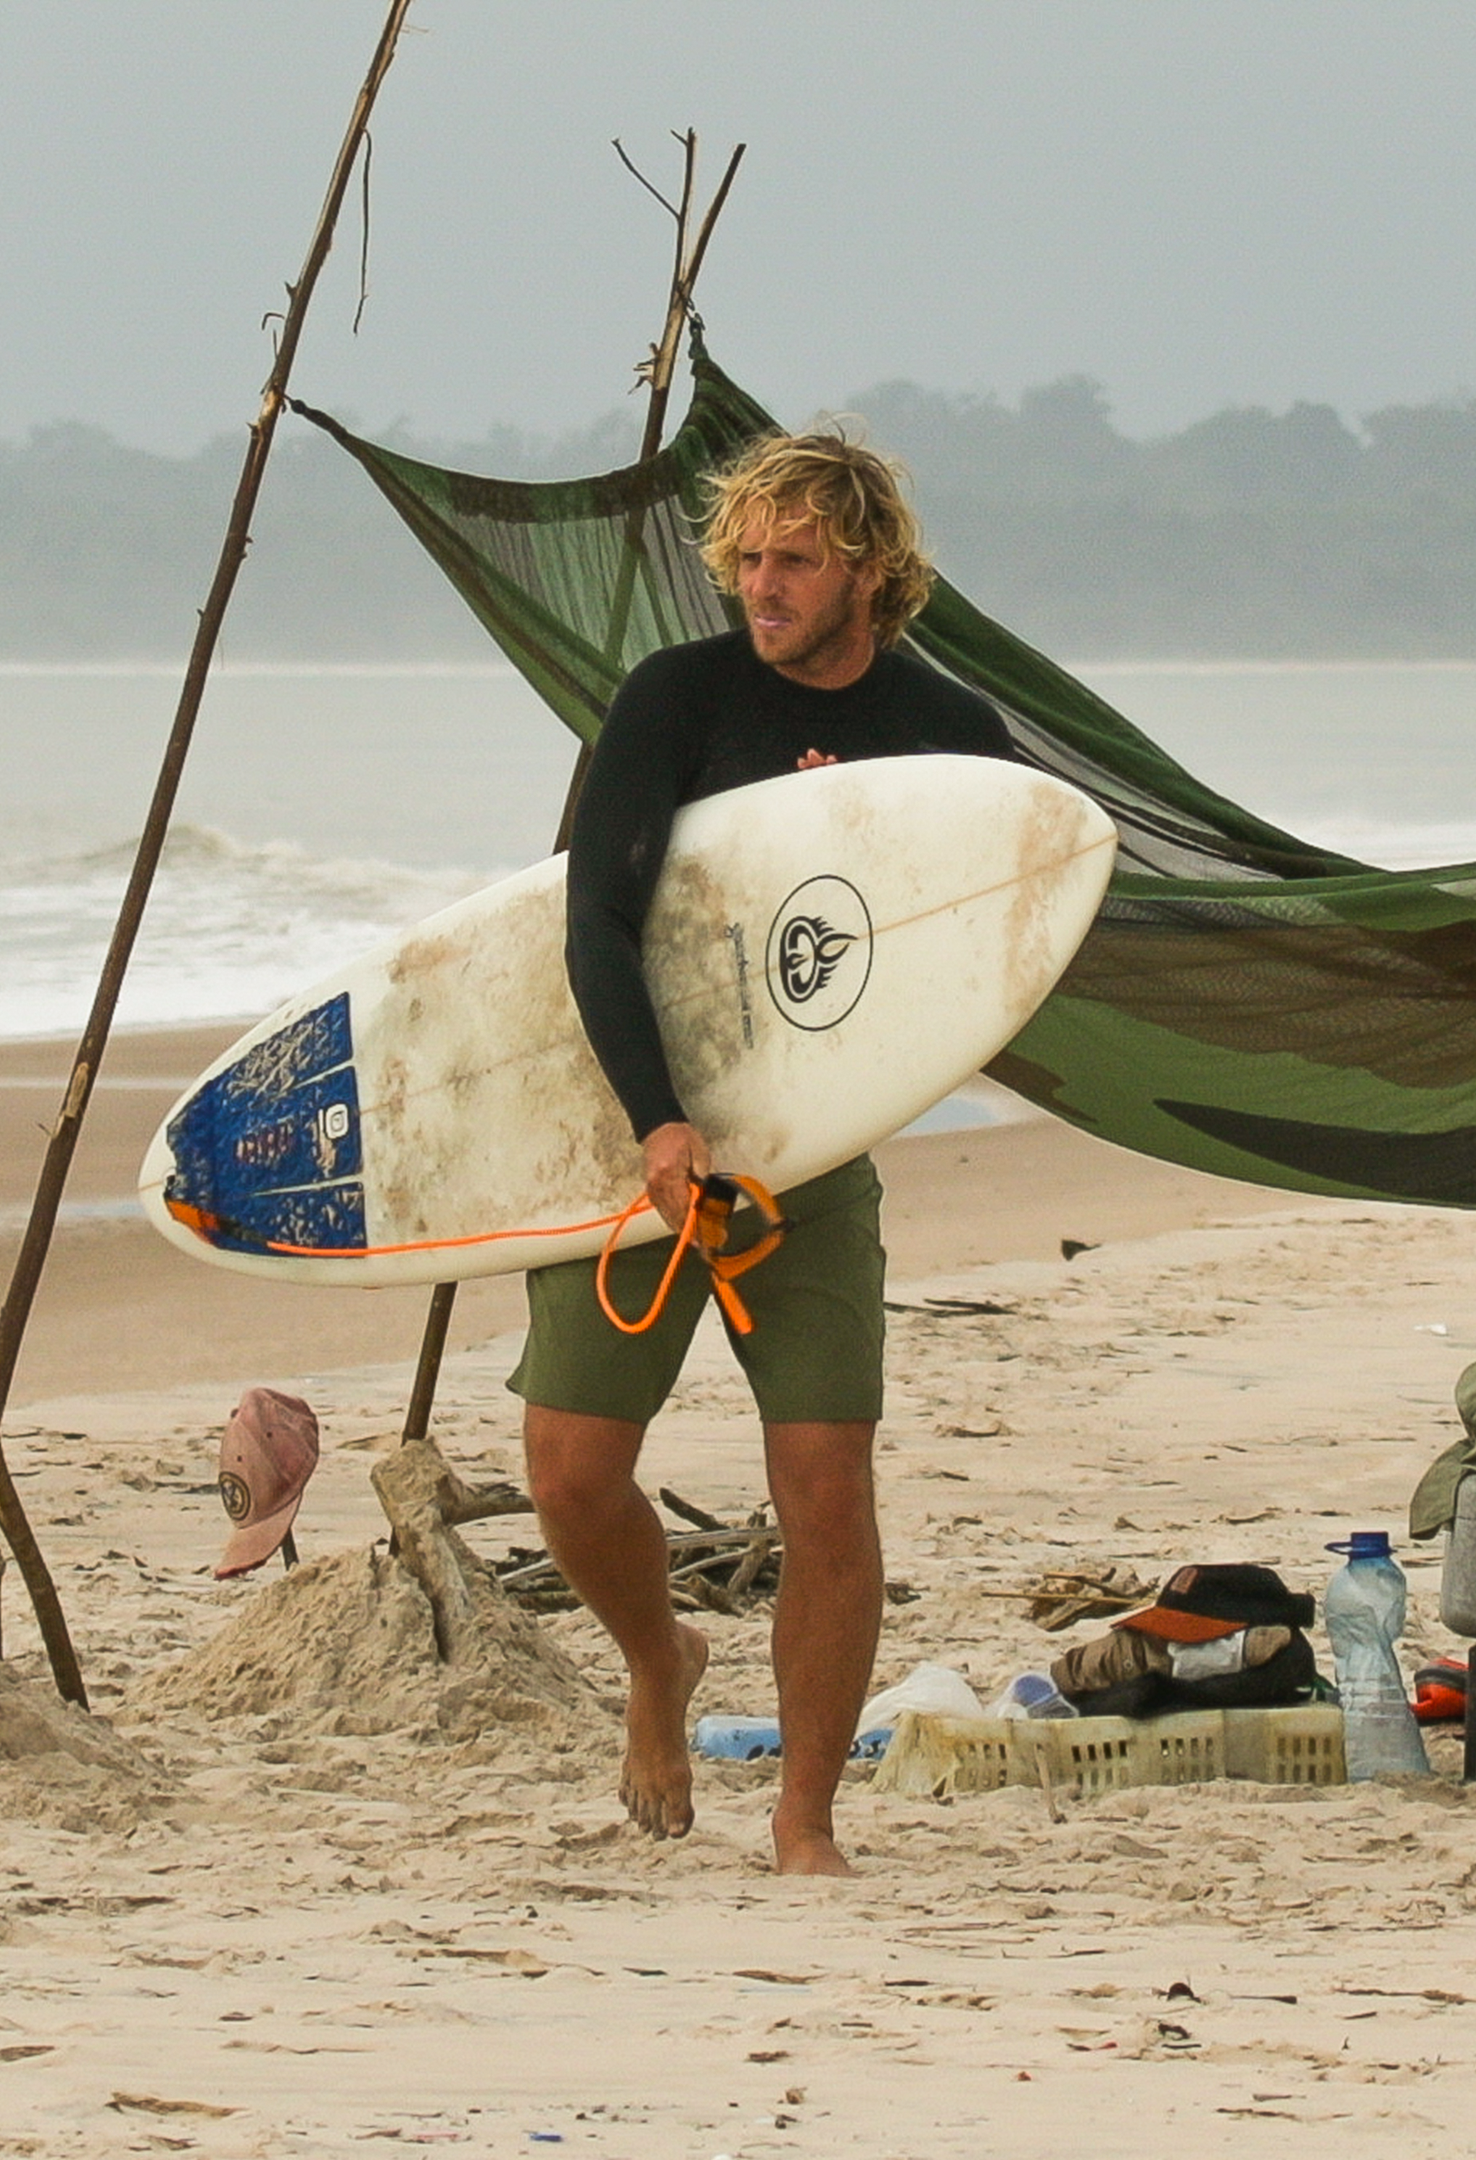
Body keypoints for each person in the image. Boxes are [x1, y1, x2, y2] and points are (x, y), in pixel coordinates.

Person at [511, 429, 1019, 1876]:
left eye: (795, 558)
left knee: (826, 1489)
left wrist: (872, 1092)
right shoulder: (680, 698)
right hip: (644, 1132)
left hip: (809, 1151)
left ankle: (805, 1819)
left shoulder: (949, 737)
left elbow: (976, 945)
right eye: (746, 556)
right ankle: (659, 1661)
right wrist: (657, 1117)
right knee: (569, 1473)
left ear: (869, 568)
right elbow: (592, 920)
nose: (762, 584)